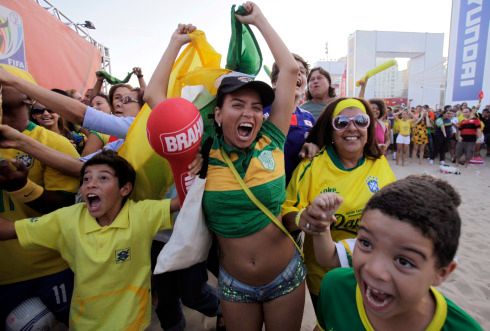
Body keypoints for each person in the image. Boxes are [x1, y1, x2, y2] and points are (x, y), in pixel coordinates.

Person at [199, 3, 304, 329]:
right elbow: (157, 100)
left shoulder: (272, 137)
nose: (249, 113)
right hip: (234, 286)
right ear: (217, 114)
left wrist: (258, 19)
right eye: (238, 105)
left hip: (286, 277)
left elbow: (287, 69)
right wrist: (178, 42)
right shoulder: (203, 153)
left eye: (257, 107)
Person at [0, 150, 180, 330]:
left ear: (125, 188)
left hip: (133, 322)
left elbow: (182, 201)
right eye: (86, 179)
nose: (91, 184)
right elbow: (9, 229)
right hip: (85, 325)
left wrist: (196, 165)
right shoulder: (66, 220)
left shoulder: (142, 214)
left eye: (103, 178)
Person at [313, 175, 482, 330]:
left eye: (404, 261)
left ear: (442, 273)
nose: (374, 270)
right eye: (365, 243)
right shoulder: (335, 289)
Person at [282, 97, 396, 310]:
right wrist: (304, 219)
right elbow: (287, 213)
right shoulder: (312, 166)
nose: (352, 127)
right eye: (341, 123)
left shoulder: (379, 162)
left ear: (369, 128)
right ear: (331, 131)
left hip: (374, 274)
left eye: (361, 121)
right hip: (326, 277)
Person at [143, 23, 221, 331]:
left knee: (193, 291)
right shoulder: (175, 120)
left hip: (195, 233)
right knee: (164, 297)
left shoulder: (216, 136)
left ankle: (228, 307)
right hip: (160, 230)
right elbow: (152, 93)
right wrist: (175, 43)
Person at [0, 86, 80, 327]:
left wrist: (22, 187)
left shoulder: (53, 143)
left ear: (28, 96)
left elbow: (69, 207)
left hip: (50, 269)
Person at [265, 53, 316, 184]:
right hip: (266, 188)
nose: (297, 74)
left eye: (302, 72)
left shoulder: (309, 118)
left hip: (297, 192)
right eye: (291, 71)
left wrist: (314, 146)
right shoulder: (260, 112)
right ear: (275, 82)